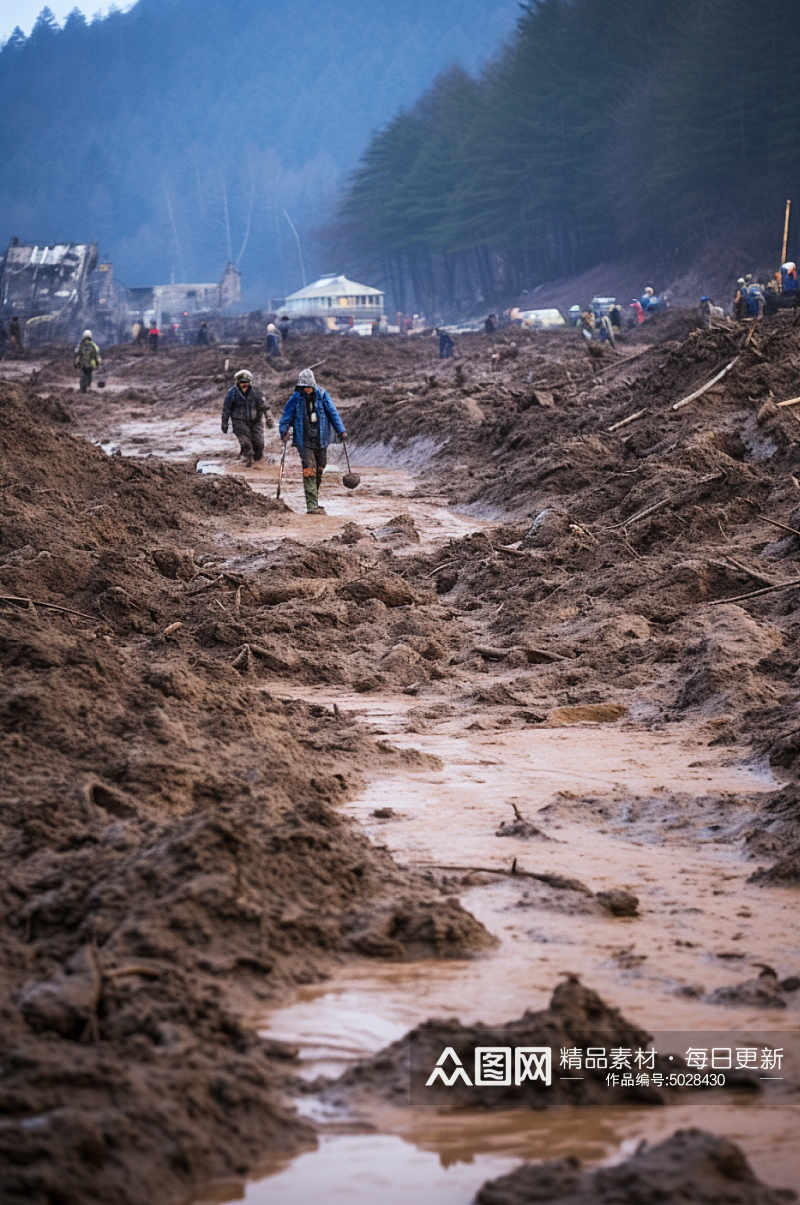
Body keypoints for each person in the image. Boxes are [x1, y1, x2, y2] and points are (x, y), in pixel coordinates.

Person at [279, 368, 346, 515]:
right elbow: (286, 415)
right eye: (304, 387)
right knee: (309, 469)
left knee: (320, 468)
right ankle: (311, 505)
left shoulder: (322, 395)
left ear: (313, 385)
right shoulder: (296, 398)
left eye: (309, 386)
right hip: (304, 440)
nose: (307, 389)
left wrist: (341, 430)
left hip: (321, 439)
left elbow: (332, 413)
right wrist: (283, 431)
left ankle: (313, 498)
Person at [221, 369, 274, 469]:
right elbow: (226, 409)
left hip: (255, 421)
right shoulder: (232, 393)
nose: (245, 385)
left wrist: (269, 418)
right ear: (238, 383)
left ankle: (257, 460)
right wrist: (224, 423)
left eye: (247, 382)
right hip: (239, 421)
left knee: (259, 446)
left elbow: (265, 406)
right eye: (242, 383)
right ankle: (246, 462)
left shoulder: (256, 392)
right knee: (246, 443)